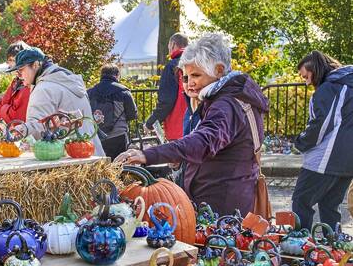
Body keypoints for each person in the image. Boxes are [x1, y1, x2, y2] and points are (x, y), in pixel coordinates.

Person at [116, 33, 269, 216]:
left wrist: (146, 155)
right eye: (186, 77)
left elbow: (202, 142)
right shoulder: (226, 98)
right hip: (223, 198)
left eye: (196, 75)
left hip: (221, 205)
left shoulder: (225, 105)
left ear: (219, 70)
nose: (189, 84)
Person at [291, 51, 353, 230]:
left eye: (307, 76)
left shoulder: (328, 88)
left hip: (326, 158)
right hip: (348, 161)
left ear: (316, 69)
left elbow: (321, 125)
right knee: (330, 206)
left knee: (301, 201)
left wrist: (300, 142)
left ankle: (299, 247)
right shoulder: (347, 85)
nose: (307, 82)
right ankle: (334, 249)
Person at [7, 47, 102, 155]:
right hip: (91, 152)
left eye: (21, 70)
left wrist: (20, 131)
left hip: (69, 156)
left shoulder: (44, 89)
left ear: (35, 65)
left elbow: (38, 128)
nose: (19, 76)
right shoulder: (68, 80)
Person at [87, 63, 138, 159]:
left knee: (99, 166)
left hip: (96, 135)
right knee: (119, 167)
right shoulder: (123, 92)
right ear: (117, 75)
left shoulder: (90, 92)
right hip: (118, 135)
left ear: (101, 75)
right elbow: (132, 115)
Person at [145, 33, 189, 140]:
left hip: (178, 128)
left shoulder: (171, 67)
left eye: (169, 47)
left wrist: (150, 122)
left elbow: (166, 101)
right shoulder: (196, 64)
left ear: (173, 44)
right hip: (196, 128)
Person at [0, 41, 32, 122]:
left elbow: (18, 117)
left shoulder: (29, 84)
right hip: (14, 131)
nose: (13, 64)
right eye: (10, 60)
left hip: (26, 131)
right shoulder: (16, 81)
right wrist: (8, 109)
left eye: (14, 60)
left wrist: (4, 108)